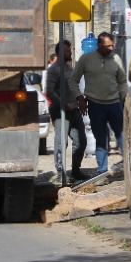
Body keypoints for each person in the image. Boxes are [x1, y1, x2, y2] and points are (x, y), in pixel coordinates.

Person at [71, 32, 127, 175]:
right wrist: (80, 98)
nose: (112, 47)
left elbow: (122, 81)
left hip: (114, 104)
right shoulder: (86, 59)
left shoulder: (116, 59)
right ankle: (102, 171)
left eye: (113, 45)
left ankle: (128, 168)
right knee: (100, 140)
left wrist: (123, 98)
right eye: (109, 45)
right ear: (100, 45)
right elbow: (73, 81)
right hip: (95, 105)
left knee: (122, 138)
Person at [45, 41, 87, 181]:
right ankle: (60, 173)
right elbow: (49, 91)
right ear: (59, 53)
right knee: (61, 142)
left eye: (70, 50)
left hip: (74, 109)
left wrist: (80, 100)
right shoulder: (53, 70)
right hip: (60, 111)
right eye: (67, 51)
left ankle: (76, 170)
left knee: (81, 140)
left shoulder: (70, 68)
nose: (70, 53)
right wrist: (63, 104)